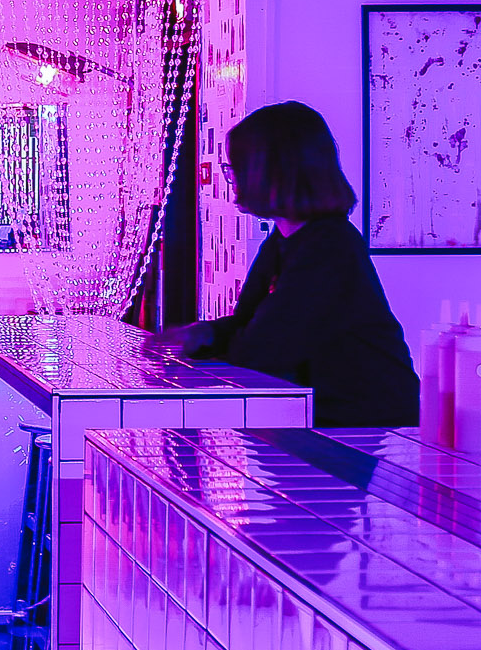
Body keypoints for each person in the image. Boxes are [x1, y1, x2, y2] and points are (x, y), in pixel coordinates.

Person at [160, 101, 420, 428]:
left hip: (367, 426)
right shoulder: (286, 238)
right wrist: (203, 333)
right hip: (329, 416)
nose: (231, 179)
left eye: (236, 168)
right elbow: (250, 324)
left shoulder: (329, 247)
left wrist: (205, 349)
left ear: (271, 172)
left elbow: (263, 349)